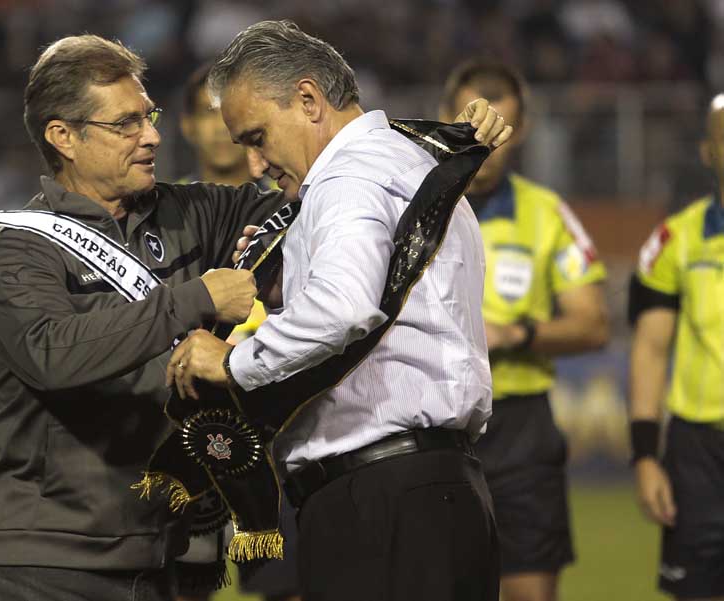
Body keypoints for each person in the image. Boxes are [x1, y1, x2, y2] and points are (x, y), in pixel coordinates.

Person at [167, 20, 513, 601]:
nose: (254, 164)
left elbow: (344, 308)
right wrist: (283, 290)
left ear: (308, 100)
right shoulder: (409, 162)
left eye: (256, 137)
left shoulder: (345, 178)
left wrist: (232, 362)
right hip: (438, 494)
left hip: (379, 499)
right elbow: (383, 301)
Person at [0, 35, 283, 601]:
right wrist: (194, 298)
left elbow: (308, 203)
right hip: (41, 562)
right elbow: (52, 352)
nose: (151, 136)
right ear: (63, 137)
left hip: (163, 554)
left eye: (148, 116)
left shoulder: (190, 213)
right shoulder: (16, 248)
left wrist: (419, 146)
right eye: (125, 124)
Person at [438, 61, 610, 601]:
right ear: (446, 118)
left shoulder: (546, 214)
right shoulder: (411, 206)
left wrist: (518, 336)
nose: (485, 140)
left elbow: (594, 323)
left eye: (500, 128)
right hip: (434, 424)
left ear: (522, 129)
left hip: (521, 427)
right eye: (472, 124)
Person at [177, 64, 301, 601]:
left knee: (287, 587)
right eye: (206, 113)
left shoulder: (289, 209)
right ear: (185, 128)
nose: (218, 126)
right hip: (188, 433)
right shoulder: (167, 219)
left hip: (275, 435)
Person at [628, 94, 724, 601]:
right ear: (708, 151)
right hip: (698, 455)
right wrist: (646, 457)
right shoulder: (675, 241)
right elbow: (649, 350)